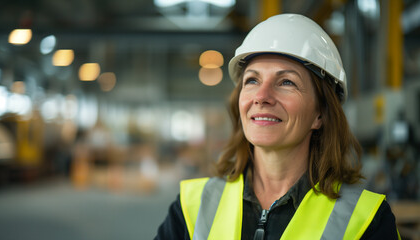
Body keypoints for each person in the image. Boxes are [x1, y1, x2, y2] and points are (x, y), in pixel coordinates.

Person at [155, 14, 400, 240]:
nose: (261, 96)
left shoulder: (366, 220)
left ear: (320, 114)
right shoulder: (192, 208)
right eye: (252, 80)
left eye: (286, 82)